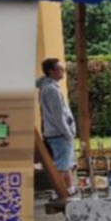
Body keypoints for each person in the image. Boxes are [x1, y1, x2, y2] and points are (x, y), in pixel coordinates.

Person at [36, 58, 77, 197]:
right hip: (59, 133)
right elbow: (58, 115)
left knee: (66, 163)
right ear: (51, 71)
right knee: (62, 165)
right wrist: (67, 133)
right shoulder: (51, 90)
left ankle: (70, 188)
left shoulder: (47, 86)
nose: (63, 71)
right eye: (59, 69)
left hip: (56, 132)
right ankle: (58, 191)